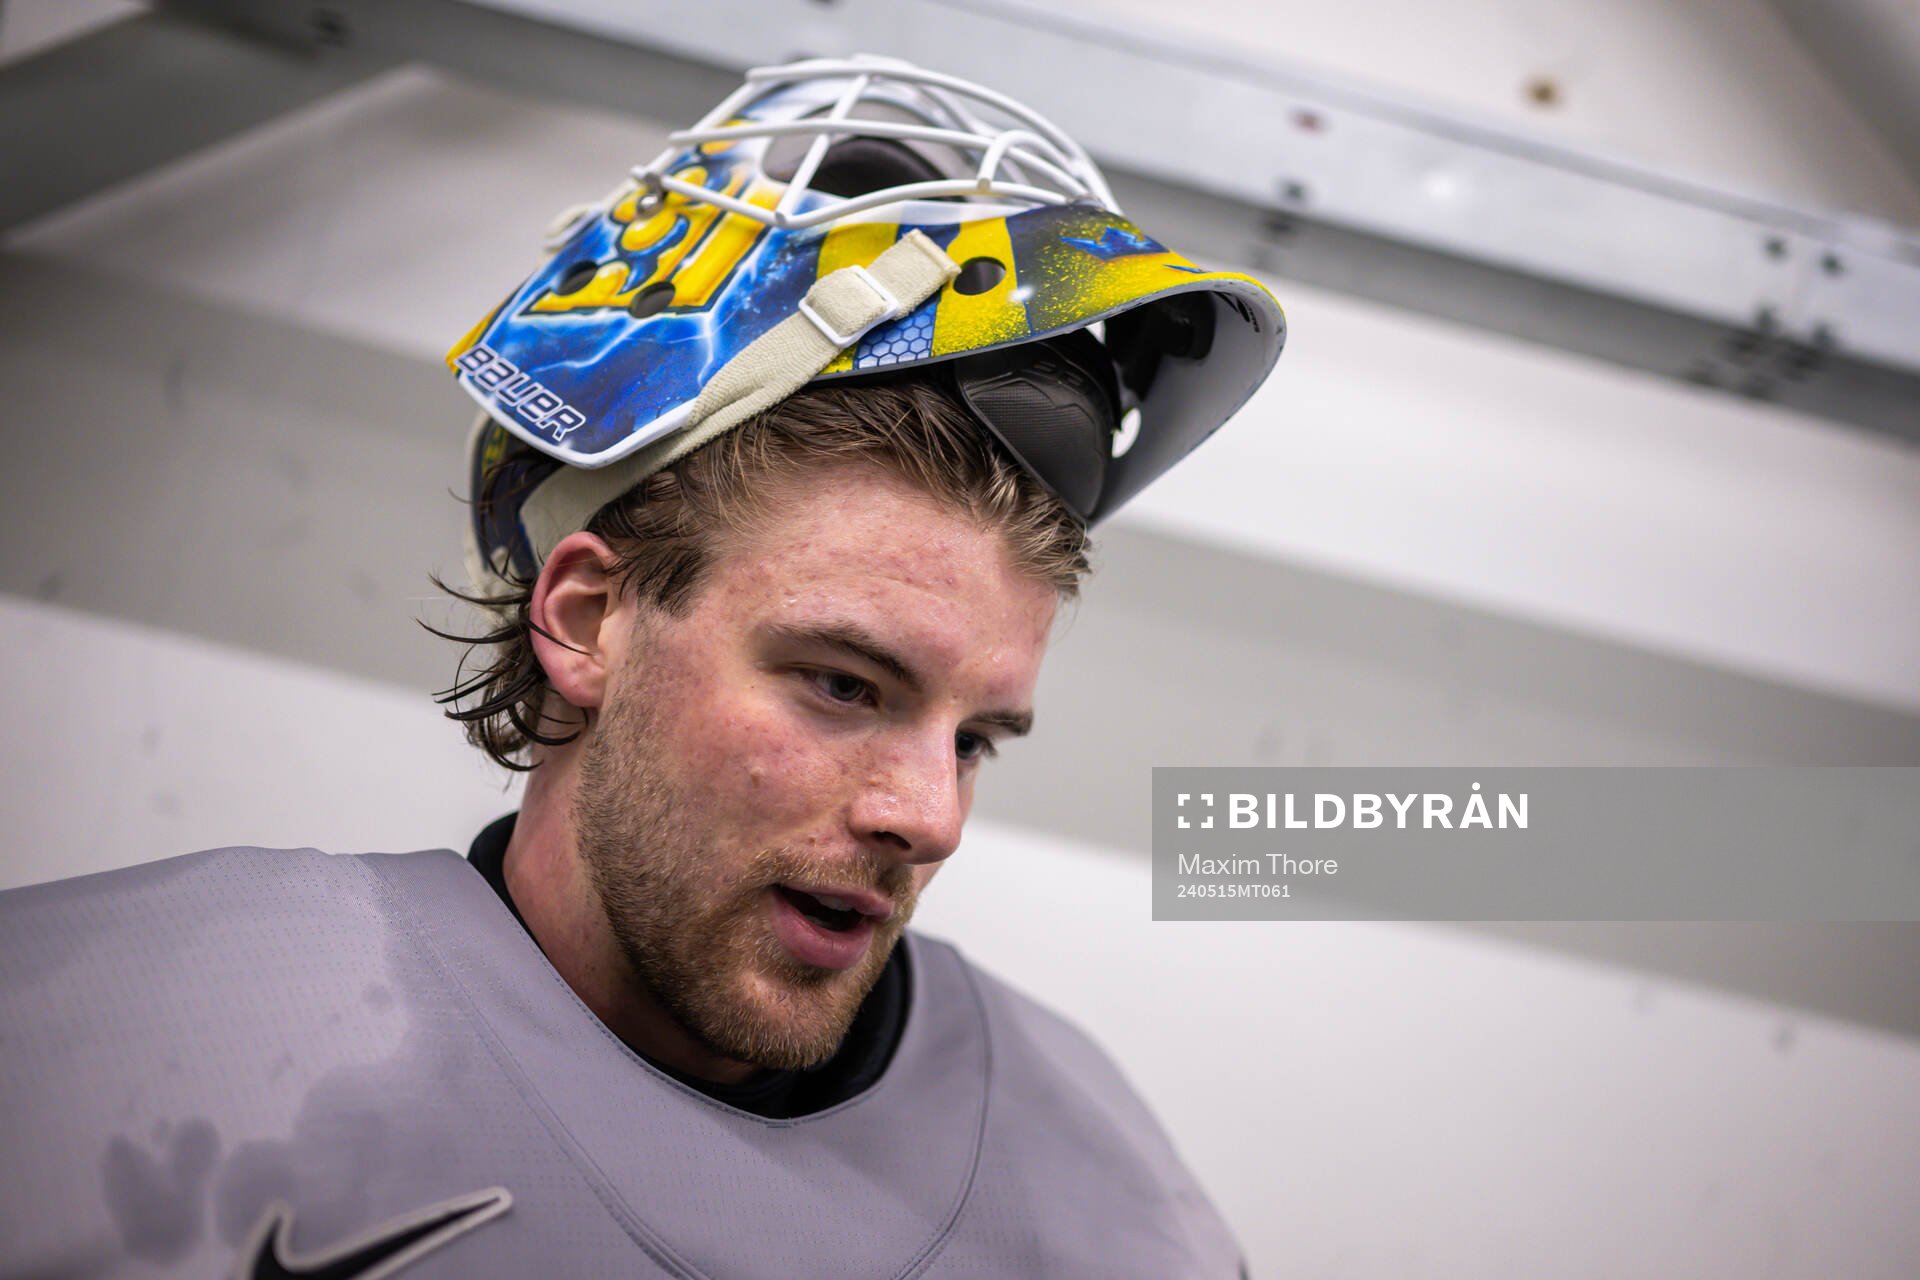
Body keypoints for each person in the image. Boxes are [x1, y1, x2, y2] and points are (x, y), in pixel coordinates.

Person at [0, 56, 1283, 1278]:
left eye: (974, 736)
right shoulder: (105, 1046)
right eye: (844, 683)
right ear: (591, 618)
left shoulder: (1112, 1195)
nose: (929, 815)